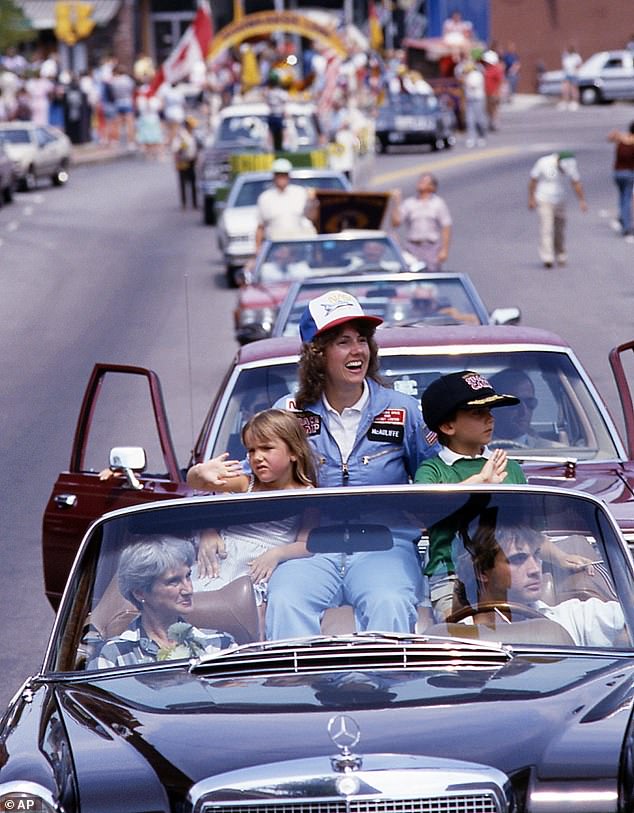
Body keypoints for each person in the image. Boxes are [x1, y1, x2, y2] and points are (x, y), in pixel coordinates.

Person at [263, 290, 440, 638]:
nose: (358, 350)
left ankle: (384, 689)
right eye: (343, 342)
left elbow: (436, 474)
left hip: (384, 546)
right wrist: (203, 487)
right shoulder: (289, 411)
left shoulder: (402, 410)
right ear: (317, 353)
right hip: (309, 549)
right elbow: (254, 472)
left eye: (363, 340)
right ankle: (295, 690)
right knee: (284, 599)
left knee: (389, 600)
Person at [414, 370, 526, 620]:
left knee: (541, 632)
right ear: (447, 425)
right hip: (451, 579)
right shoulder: (432, 471)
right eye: (478, 413)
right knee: (463, 639)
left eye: (491, 411)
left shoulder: (511, 468)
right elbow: (426, 510)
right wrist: (480, 483)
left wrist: (562, 557)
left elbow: (527, 532)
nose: (490, 419)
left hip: (511, 576)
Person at [186, 409, 316, 597]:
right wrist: (200, 471)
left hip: (257, 566)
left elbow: (307, 544)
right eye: (251, 450)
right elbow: (197, 483)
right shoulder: (246, 483)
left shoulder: (307, 494)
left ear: (294, 452)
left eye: (267, 448)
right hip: (220, 557)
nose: (257, 457)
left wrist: (277, 554)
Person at [455, 522, 625, 647]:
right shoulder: (455, 641)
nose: (535, 569)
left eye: (536, 556)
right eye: (518, 559)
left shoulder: (570, 618)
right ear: (482, 572)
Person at [90, 536, 235, 668]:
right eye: (173, 581)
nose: (188, 590)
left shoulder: (220, 646)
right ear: (140, 592)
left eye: (188, 576)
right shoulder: (112, 656)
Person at [528, 150, 587, 268]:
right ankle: (547, 257)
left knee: (559, 229)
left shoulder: (570, 165)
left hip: (560, 200)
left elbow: (575, 182)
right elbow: (533, 179)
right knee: (546, 228)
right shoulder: (543, 162)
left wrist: (581, 200)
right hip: (543, 199)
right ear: (558, 161)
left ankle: (560, 253)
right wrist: (531, 198)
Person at [391, 173, 452, 271]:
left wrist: (444, 250)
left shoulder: (438, 203)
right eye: (420, 181)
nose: (420, 183)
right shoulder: (409, 203)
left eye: (424, 182)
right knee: (412, 274)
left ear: (432, 187)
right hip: (413, 247)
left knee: (432, 275)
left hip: (431, 247)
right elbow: (396, 223)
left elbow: (446, 226)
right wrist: (397, 202)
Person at [254, 158, 317, 252]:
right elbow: (260, 228)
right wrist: (257, 251)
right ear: (274, 176)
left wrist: (313, 202)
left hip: (298, 250)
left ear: (289, 176)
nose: (282, 178)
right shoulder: (265, 198)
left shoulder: (300, 193)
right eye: (279, 175)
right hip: (275, 251)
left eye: (284, 175)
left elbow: (313, 218)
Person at [489, 368, 562, 447]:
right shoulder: (475, 453)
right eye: (514, 404)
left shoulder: (553, 453)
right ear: (493, 407)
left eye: (530, 403)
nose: (524, 412)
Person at [607, 121, 634, 242]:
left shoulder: (622, 138)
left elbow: (610, 137)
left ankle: (623, 218)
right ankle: (626, 225)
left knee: (622, 197)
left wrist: (618, 134)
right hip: (629, 173)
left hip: (618, 173)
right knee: (627, 198)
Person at [456, 58, 487, 148]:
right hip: (470, 99)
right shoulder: (466, 76)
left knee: (479, 119)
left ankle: (481, 136)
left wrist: (464, 80)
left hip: (478, 99)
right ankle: (471, 138)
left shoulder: (477, 75)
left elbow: (473, 85)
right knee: (470, 120)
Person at [171, 116, 198, 210]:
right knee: (183, 183)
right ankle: (184, 204)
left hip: (192, 161)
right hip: (183, 161)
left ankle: (195, 204)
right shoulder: (181, 135)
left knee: (193, 183)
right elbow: (175, 148)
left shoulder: (193, 134)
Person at [482, 50, 504, 131]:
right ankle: (491, 123)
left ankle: (495, 124)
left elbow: (500, 81)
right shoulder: (487, 69)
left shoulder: (496, 69)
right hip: (487, 92)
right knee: (488, 109)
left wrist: (497, 92)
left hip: (494, 93)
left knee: (494, 109)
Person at [559, 45, 582, 110]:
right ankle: (565, 102)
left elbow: (579, 64)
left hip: (573, 74)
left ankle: (574, 102)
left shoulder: (576, 56)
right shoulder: (566, 56)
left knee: (574, 89)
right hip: (567, 74)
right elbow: (564, 65)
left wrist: (576, 70)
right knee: (565, 89)